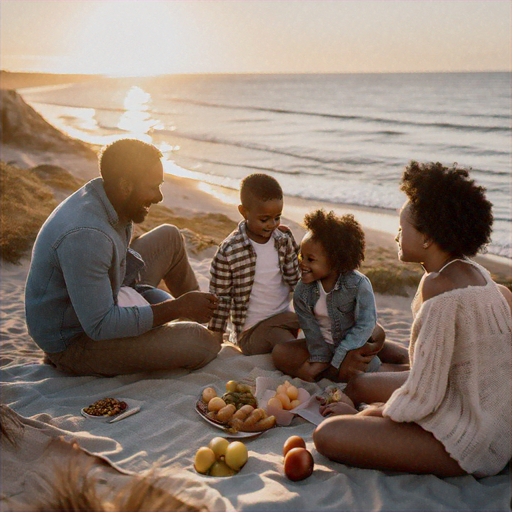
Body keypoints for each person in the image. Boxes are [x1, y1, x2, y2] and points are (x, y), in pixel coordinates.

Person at [313, 161, 512, 478]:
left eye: (402, 228)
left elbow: (424, 398)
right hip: (492, 420)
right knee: (360, 384)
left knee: (328, 433)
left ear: (427, 238)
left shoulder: (438, 289)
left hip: (471, 441)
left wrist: (366, 415)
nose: (395, 235)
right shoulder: (486, 279)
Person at [25, 138, 221, 376]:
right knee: (201, 343)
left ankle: (204, 315)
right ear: (125, 185)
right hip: (74, 340)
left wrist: (178, 305)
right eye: (152, 187)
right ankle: (202, 329)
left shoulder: (108, 196)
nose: (159, 197)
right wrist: (176, 307)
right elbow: (101, 325)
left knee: (170, 235)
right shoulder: (87, 236)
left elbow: (113, 263)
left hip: (108, 294)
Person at [272, 210, 408, 382]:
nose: (302, 263)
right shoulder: (302, 291)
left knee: (367, 369)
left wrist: (339, 359)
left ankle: (405, 371)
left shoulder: (358, 284)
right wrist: (320, 359)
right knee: (279, 353)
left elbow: (365, 326)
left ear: (335, 261)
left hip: (353, 345)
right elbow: (311, 332)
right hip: (323, 347)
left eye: (310, 259)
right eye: (301, 256)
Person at [208, 173, 300, 355]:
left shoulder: (283, 239)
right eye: (264, 219)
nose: (271, 225)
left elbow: (297, 279)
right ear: (244, 211)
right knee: (287, 343)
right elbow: (220, 299)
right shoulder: (229, 251)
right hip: (251, 334)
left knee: (321, 322)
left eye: (277, 217)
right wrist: (215, 341)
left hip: (283, 318)